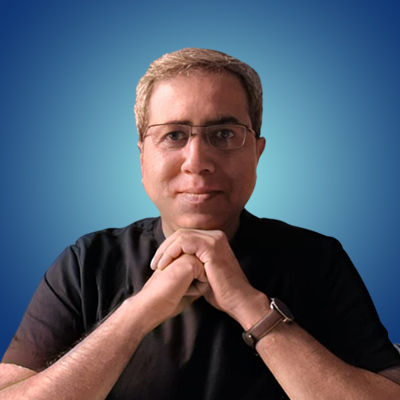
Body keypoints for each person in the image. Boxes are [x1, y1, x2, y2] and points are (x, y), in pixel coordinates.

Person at [1, 48, 400, 400]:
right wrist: (137, 313)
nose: (197, 161)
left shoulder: (317, 259)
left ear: (257, 153)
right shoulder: (87, 262)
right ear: (142, 157)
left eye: (223, 134)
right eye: (174, 135)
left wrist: (250, 307)